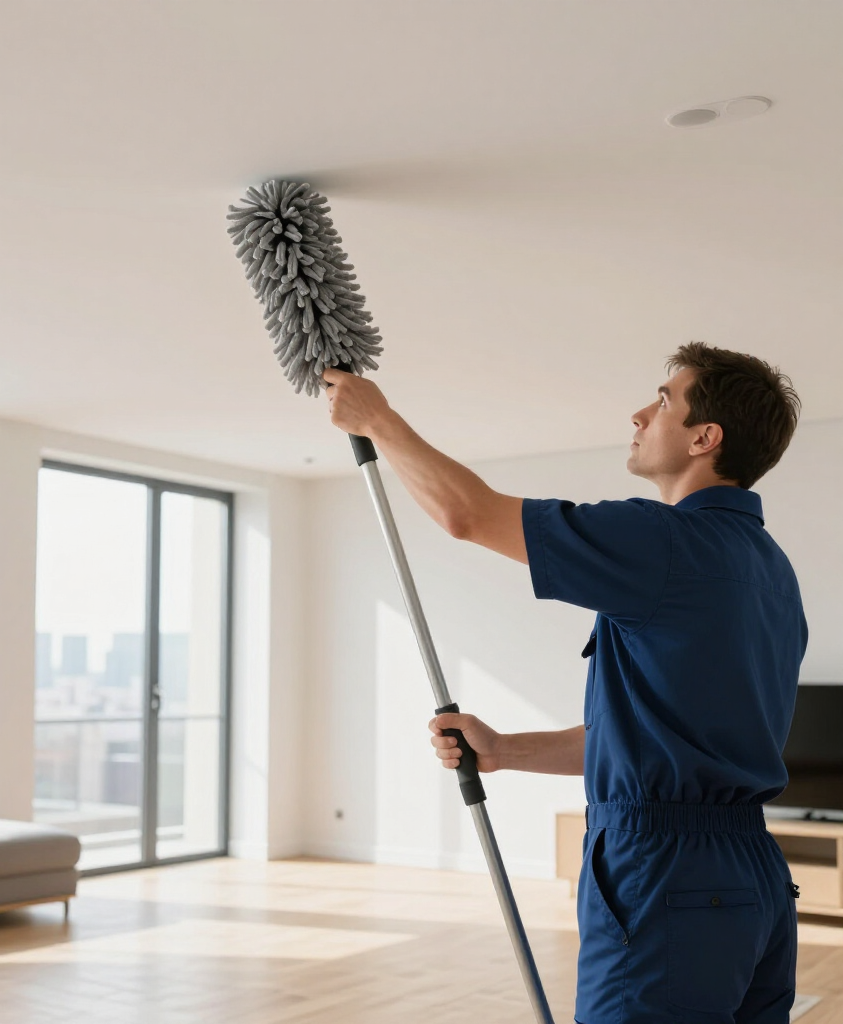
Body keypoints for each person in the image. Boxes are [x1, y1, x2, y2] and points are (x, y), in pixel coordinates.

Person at [323, 342, 806, 1024]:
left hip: (663, 873)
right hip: (753, 877)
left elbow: (469, 514)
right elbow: (656, 735)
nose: (640, 413)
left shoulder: (661, 542)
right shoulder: (771, 571)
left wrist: (380, 421)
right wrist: (504, 751)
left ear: (706, 437)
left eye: (664, 400)